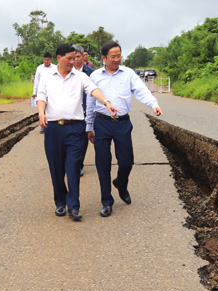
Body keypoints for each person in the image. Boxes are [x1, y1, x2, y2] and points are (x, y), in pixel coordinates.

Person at [37, 43, 120, 222]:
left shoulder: (81, 76)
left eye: (75, 58)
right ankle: (60, 202)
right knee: (56, 168)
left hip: (76, 129)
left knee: (73, 167)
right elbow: (41, 96)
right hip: (53, 129)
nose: (73, 61)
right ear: (59, 58)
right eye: (69, 58)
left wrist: (106, 102)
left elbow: (93, 89)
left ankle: (74, 206)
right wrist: (41, 113)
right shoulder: (46, 77)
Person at [85, 41, 163, 217]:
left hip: (122, 123)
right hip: (102, 123)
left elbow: (141, 91)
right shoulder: (96, 76)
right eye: (113, 57)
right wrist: (89, 126)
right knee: (102, 163)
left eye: (119, 55)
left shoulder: (128, 74)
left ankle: (121, 183)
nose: (117, 59)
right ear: (104, 58)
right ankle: (107, 201)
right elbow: (90, 102)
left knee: (127, 161)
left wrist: (154, 104)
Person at [72, 45, 94, 177]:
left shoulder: (91, 73)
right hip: (71, 112)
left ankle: (79, 165)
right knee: (71, 140)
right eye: (73, 57)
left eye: (78, 57)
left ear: (82, 57)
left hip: (85, 111)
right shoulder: (67, 71)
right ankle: (71, 164)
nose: (75, 60)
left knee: (82, 141)